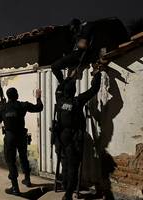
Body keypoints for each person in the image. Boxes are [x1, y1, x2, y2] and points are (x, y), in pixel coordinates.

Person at [55, 69, 102, 200]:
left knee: (64, 162)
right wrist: (97, 74)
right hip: (73, 136)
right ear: (74, 91)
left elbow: (59, 89)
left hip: (62, 136)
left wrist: (69, 77)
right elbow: (94, 89)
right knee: (73, 166)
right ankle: (68, 194)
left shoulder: (59, 100)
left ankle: (65, 185)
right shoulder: (77, 101)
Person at [0, 88, 43, 196]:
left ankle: (15, 188)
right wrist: (38, 97)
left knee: (11, 161)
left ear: (7, 97)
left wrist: (1, 107)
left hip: (10, 137)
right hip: (21, 136)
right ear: (17, 95)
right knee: (23, 157)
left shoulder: (3, 108)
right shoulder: (22, 105)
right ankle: (27, 179)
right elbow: (39, 108)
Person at [52, 18, 94, 84]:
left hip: (77, 56)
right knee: (55, 66)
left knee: (54, 66)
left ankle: (62, 84)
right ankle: (63, 84)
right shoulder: (76, 36)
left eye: (74, 29)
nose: (74, 31)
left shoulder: (85, 31)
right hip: (74, 56)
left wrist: (82, 42)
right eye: (72, 29)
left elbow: (83, 45)